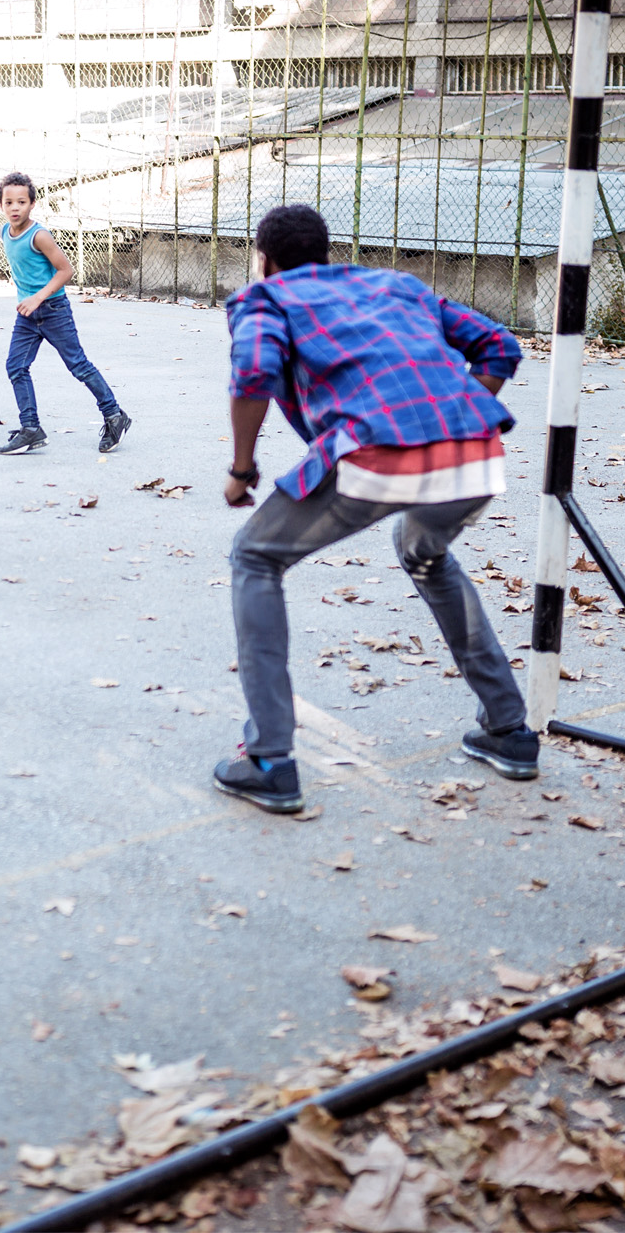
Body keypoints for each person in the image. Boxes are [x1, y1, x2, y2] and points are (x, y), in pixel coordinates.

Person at [214, 203, 534, 814]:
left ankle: (269, 760)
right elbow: (499, 346)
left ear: (264, 260)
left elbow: (252, 373)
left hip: (375, 455)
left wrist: (241, 470)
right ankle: (509, 729)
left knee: (255, 555)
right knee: (425, 552)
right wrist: (452, 416)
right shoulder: (395, 284)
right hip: (477, 455)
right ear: (327, 253)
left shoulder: (267, 298)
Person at [0, 170, 131, 456]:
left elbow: (66, 270)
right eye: (9, 203)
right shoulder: (4, 232)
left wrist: (38, 297)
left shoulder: (39, 235)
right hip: (28, 315)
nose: (15, 208)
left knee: (78, 365)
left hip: (53, 310)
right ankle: (30, 428)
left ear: (32, 204)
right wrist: (27, 296)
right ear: (1, 205)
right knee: (15, 367)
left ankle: (114, 415)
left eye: (21, 202)